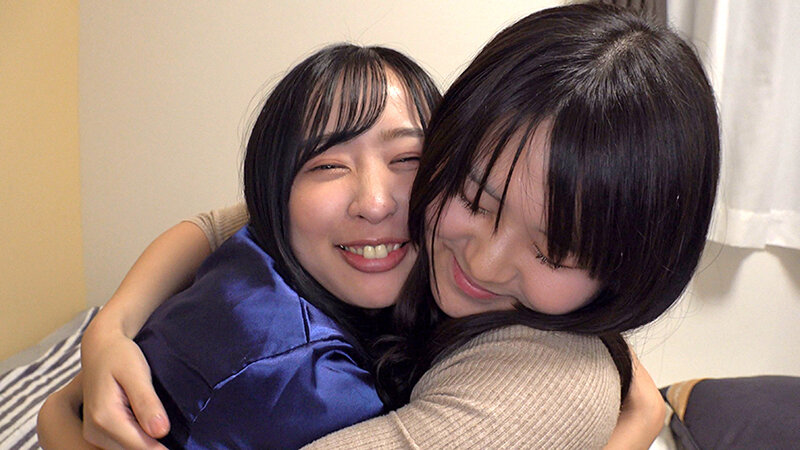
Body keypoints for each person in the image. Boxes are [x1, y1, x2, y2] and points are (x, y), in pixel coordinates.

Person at [40, 2, 718, 448]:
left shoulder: (543, 389)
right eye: (476, 197)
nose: (482, 264)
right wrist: (109, 331)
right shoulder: (413, 221)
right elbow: (224, 221)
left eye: (554, 249)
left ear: (631, 267)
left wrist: (57, 423)